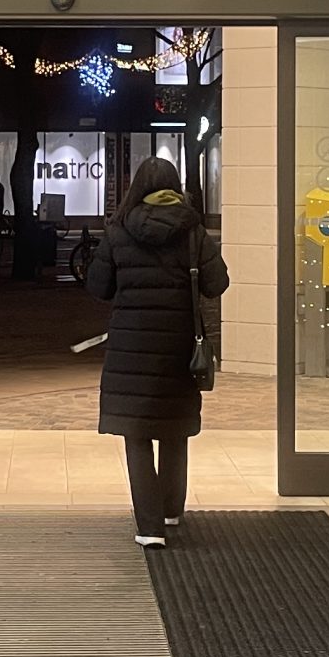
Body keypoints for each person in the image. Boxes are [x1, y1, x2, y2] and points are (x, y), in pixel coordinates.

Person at [87, 155, 229, 548]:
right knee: (174, 428)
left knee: (136, 434)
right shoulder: (192, 231)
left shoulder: (118, 230)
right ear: (175, 186)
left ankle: (149, 528)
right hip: (177, 347)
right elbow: (217, 283)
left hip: (130, 349)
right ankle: (170, 510)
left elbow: (98, 286)